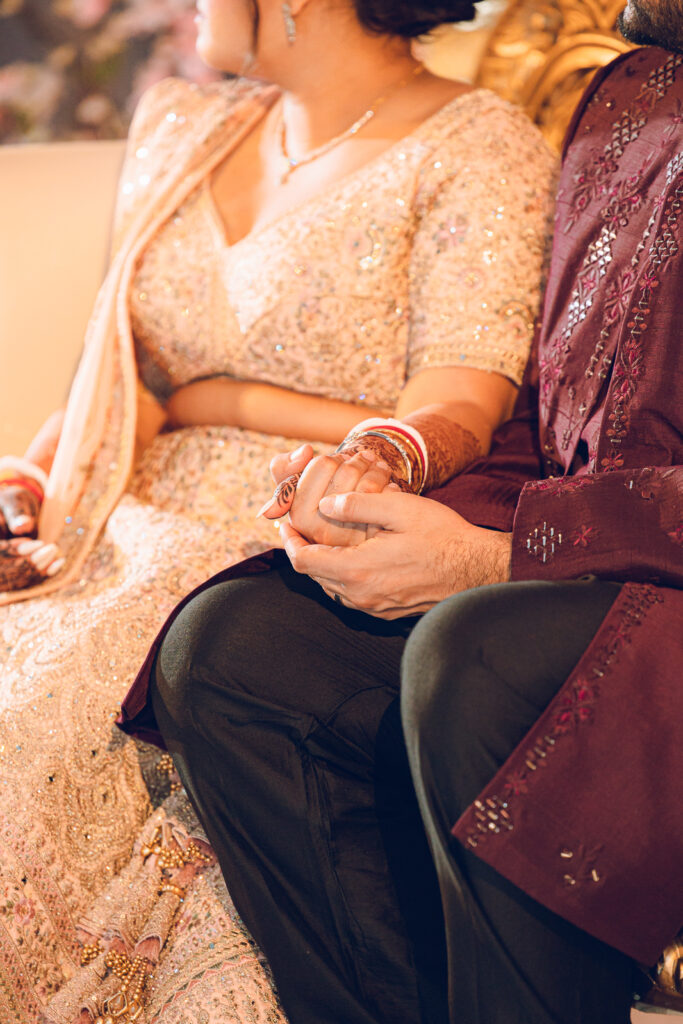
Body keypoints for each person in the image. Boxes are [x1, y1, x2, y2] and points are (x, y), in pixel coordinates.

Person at [0, 0, 557, 1021]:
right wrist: (30, 480)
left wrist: (221, 400)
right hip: (110, 514)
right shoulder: (183, 125)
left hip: (280, 539)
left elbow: (456, 410)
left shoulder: (478, 147)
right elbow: (118, 375)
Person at [135, 12, 683, 1024]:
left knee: (472, 657)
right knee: (228, 647)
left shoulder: (480, 142)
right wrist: (397, 459)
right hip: (592, 563)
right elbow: (563, 418)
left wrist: (495, 560)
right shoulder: (630, 96)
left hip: (644, 597)